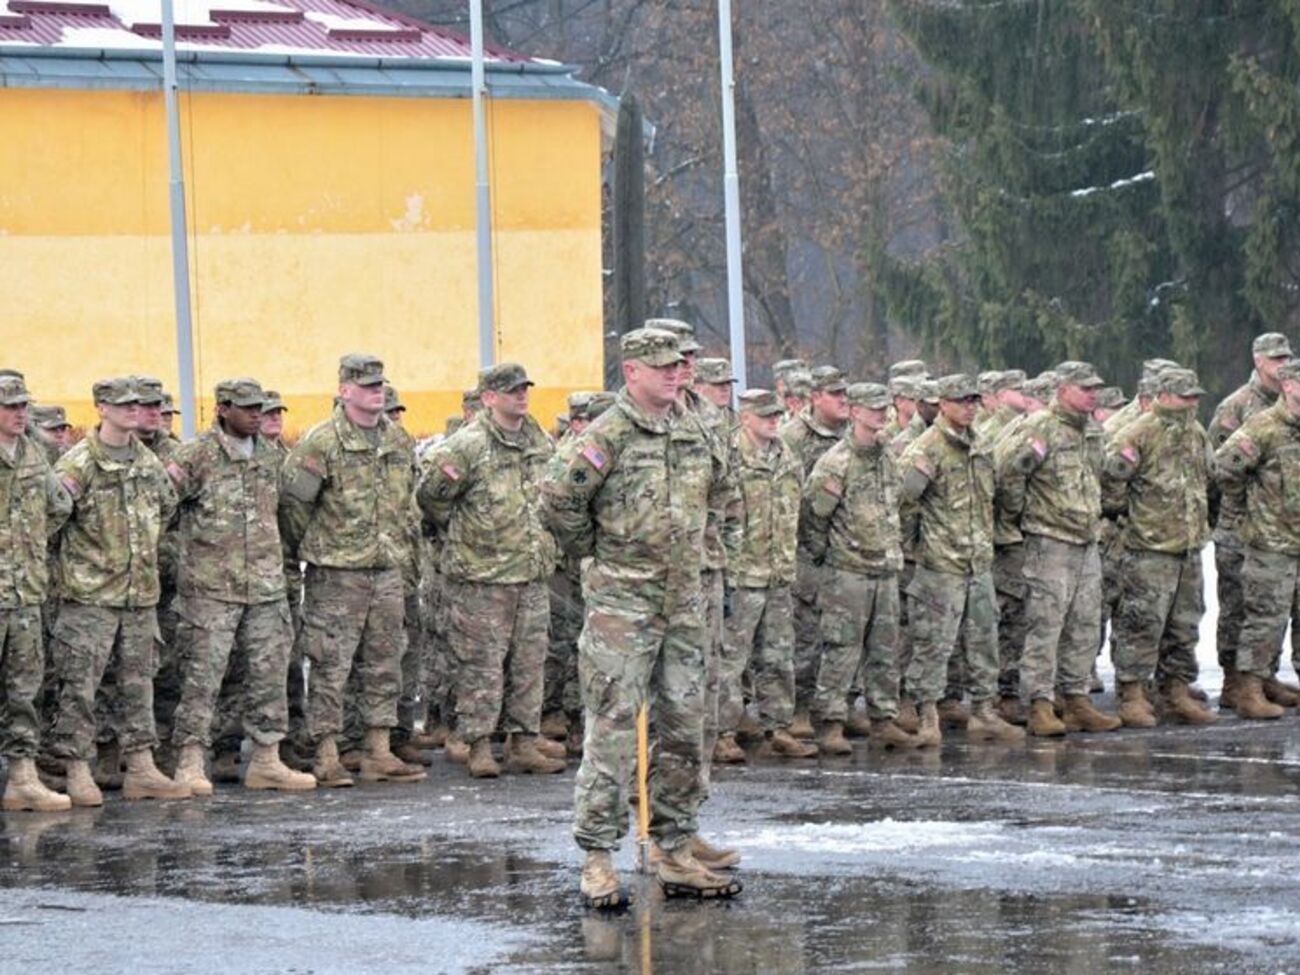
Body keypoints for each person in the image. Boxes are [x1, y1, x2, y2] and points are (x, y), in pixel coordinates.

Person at [542, 327, 741, 909]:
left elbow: (722, 495)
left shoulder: (696, 427)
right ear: (631, 372)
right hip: (622, 608)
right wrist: (597, 551)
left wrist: (705, 556)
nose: (675, 375)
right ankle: (598, 856)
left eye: (679, 366)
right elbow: (558, 499)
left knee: (683, 726)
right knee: (612, 730)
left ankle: (673, 845)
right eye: (662, 367)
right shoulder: (608, 434)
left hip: (683, 606)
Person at [278, 354, 424, 787]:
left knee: (385, 662)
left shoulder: (397, 441)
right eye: (366, 385)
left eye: (380, 384)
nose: (376, 391)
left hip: (385, 570)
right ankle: (326, 753)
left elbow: (406, 502)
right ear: (345, 391)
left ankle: (377, 749)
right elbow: (293, 509)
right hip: (337, 574)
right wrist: (320, 551)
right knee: (330, 665)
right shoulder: (320, 443)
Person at [165, 378, 316, 794]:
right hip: (210, 590)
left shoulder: (271, 456)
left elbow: (289, 511)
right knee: (202, 678)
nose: (256, 415)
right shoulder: (196, 456)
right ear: (222, 409)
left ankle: (267, 759)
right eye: (246, 407)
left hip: (265, 588)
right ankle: (191, 760)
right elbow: (161, 509)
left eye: (260, 407)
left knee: (269, 675)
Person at [416, 363, 564, 779]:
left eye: (524, 389)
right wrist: (469, 537)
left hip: (530, 573)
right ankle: (479, 744)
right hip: (482, 577)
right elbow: (431, 498)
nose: (522, 396)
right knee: (480, 665)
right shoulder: (466, 446)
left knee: (529, 662)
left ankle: (523, 742)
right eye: (511, 390)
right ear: (489, 398)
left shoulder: (538, 441)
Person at [46, 377, 190, 804]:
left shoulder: (147, 462)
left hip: (139, 596)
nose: (134, 409)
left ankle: (142, 767)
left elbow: (167, 508)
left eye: (139, 404)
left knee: (138, 682)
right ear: (101, 408)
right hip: (90, 598)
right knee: (80, 687)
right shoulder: (78, 465)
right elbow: (52, 524)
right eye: (124, 404)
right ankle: (76, 769)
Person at [899, 374, 1024, 747]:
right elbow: (904, 505)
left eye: (973, 400)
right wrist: (919, 551)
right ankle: (926, 716)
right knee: (933, 645)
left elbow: (994, 499)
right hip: (941, 567)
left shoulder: (981, 445)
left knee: (984, 640)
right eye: (961, 401)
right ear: (942, 404)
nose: (969, 407)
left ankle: (984, 712)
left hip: (978, 563)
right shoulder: (927, 449)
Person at [996, 362, 1121, 736]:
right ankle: (1040, 704)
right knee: (1045, 626)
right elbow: (1009, 474)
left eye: (1095, 388)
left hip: (1085, 540)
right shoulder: (1039, 427)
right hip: (1048, 541)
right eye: (1085, 388)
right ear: (1063, 389)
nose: (1092, 394)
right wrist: (1024, 517)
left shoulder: (1092, 431)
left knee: (1083, 625)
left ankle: (1077, 698)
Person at [803, 382, 918, 753]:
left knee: (885, 649)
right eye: (872, 409)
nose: (880, 415)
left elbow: (897, 503)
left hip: (885, 567)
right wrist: (834, 557)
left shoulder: (887, 457)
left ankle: (883, 719)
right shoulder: (836, 463)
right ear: (854, 412)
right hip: (848, 571)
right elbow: (814, 520)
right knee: (842, 650)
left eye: (884, 408)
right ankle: (831, 723)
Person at [1103, 368, 1217, 727]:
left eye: (1195, 396)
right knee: (1142, 623)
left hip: (1187, 548)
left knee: (1184, 624)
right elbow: (1111, 479)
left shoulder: (1196, 433)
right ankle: (1133, 695)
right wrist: (1132, 518)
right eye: (1185, 396)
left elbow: (1208, 480)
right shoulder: (1140, 432)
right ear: (1164, 395)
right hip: (1149, 550)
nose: (1193, 402)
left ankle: (1175, 692)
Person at [721, 390, 816, 759]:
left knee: (779, 655)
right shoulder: (730, 458)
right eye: (765, 415)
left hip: (777, 573)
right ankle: (723, 732)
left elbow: (799, 511)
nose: (773, 421)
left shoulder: (786, 457)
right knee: (731, 659)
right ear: (745, 418)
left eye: (776, 415)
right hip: (741, 576)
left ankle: (779, 726)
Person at [1208, 333, 1294, 711]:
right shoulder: (1241, 409)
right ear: (1258, 361)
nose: (1281, 364)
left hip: (1286, 532)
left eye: (1286, 357)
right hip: (1245, 530)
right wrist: (1243, 508)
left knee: (1275, 610)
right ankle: (1238, 683)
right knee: (1244, 609)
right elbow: (1221, 469)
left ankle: (1265, 678)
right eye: (1275, 359)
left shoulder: (1289, 415)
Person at [0, 373, 73, 812]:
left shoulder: (32, 453)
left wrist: (27, 543)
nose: (20, 413)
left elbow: (59, 505)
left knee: (24, 689)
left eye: (23, 405)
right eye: (11, 406)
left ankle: (22, 778)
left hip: (25, 592)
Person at [782, 366, 850, 737]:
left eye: (845, 393)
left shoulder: (853, 436)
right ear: (814, 398)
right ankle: (798, 711)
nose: (843, 400)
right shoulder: (793, 438)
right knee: (805, 638)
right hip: (806, 554)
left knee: (843, 639)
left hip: (845, 555)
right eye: (834, 394)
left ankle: (835, 709)